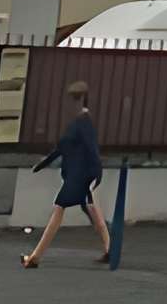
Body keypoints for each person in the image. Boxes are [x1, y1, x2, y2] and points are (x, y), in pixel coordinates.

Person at [24, 81, 110, 270]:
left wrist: (95, 174)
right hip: (76, 175)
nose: (68, 105)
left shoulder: (84, 123)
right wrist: (41, 165)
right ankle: (110, 249)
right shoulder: (76, 123)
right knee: (92, 211)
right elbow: (61, 148)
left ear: (79, 101)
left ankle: (35, 257)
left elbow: (92, 149)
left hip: (82, 175)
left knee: (60, 209)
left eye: (72, 100)